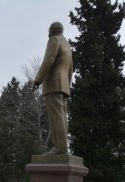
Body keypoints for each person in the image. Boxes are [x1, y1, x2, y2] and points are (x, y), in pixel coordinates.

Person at [33, 22, 73, 155]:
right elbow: (70, 69)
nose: (47, 34)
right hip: (64, 85)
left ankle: (59, 148)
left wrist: (38, 79)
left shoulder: (54, 40)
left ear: (52, 30)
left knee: (56, 117)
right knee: (62, 116)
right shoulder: (67, 44)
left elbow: (48, 60)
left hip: (53, 83)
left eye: (48, 31)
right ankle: (62, 147)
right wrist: (67, 84)